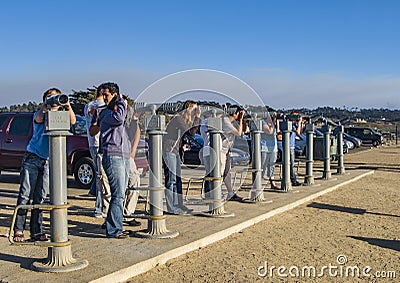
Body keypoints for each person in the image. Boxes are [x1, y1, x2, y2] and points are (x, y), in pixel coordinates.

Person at [13, 88, 76, 242]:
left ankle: (36, 231)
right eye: (50, 97)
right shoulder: (39, 113)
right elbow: (39, 119)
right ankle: (19, 230)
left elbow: (73, 121)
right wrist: (46, 106)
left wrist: (67, 105)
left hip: (48, 160)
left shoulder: (61, 114)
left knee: (40, 197)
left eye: (56, 97)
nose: (54, 100)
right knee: (25, 195)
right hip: (33, 157)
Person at [94, 82, 131, 239]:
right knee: (118, 194)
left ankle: (115, 225)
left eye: (106, 95)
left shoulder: (118, 110)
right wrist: (121, 102)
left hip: (123, 155)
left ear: (114, 95)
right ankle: (114, 230)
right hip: (112, 155)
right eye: (103, 95)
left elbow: (127, 119)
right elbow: (118, 118)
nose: (104, 98)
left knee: (121, 193)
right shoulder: (104, 114)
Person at [163, 100, 201, 214]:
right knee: (171, 180)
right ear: (187, 108)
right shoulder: (178, 118)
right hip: (169, 149)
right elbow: (189, 131)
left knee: (178, 180)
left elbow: (193, 132)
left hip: (175, 151)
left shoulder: (185, 120)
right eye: (193, 109)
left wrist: (196, 119)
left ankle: (179, 204)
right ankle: (172, 207)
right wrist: (198, 117)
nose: (195, 111)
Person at [84, 87, 107, 218]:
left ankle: (93, 191)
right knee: (101, 177)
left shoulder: (88, 105)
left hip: (92, 142)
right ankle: (99, 208)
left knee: (99, 173)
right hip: (100, 143)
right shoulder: (102, 107)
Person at [221, 105, 245, 201]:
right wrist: (241, 118)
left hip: (227, 150)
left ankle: (231, 193)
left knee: (227, 173)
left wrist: (241, 120)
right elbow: (238, 133)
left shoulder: (233, 122)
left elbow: (244, 131)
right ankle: (216, 195)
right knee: (220, 172)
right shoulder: (225, 121)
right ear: (235, 113)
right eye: (239, 113)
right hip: (220, 150)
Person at [261, 112, 280, 190]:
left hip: (273, 147)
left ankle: (272, 183)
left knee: (271, 166)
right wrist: (273, 121)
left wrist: (276, 121)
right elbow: (269, 131)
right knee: (263, 166)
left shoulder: (272, 122)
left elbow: (277, 131)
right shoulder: (262, 121)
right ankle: (260, 182)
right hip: (264, 147)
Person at [290, 113, 304, 186]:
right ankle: (293, 180)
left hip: (292, 146)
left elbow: (300, 132)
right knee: (291, 165)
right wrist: (299, 122)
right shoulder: (290, 125)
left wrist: (300, 123)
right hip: (289, 147)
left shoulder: (293, 125)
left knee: (291, 165)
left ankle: (292, 179)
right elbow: (298, 132)